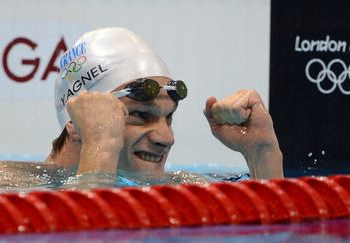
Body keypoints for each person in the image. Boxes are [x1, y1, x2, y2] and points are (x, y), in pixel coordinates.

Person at [39, 27, 283, 185]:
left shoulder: (182, 186)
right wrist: (102, 147)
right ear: (76, 121)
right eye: (139, 114)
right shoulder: (9, 185)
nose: (166, 138)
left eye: (169, 118)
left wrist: (262, 154)